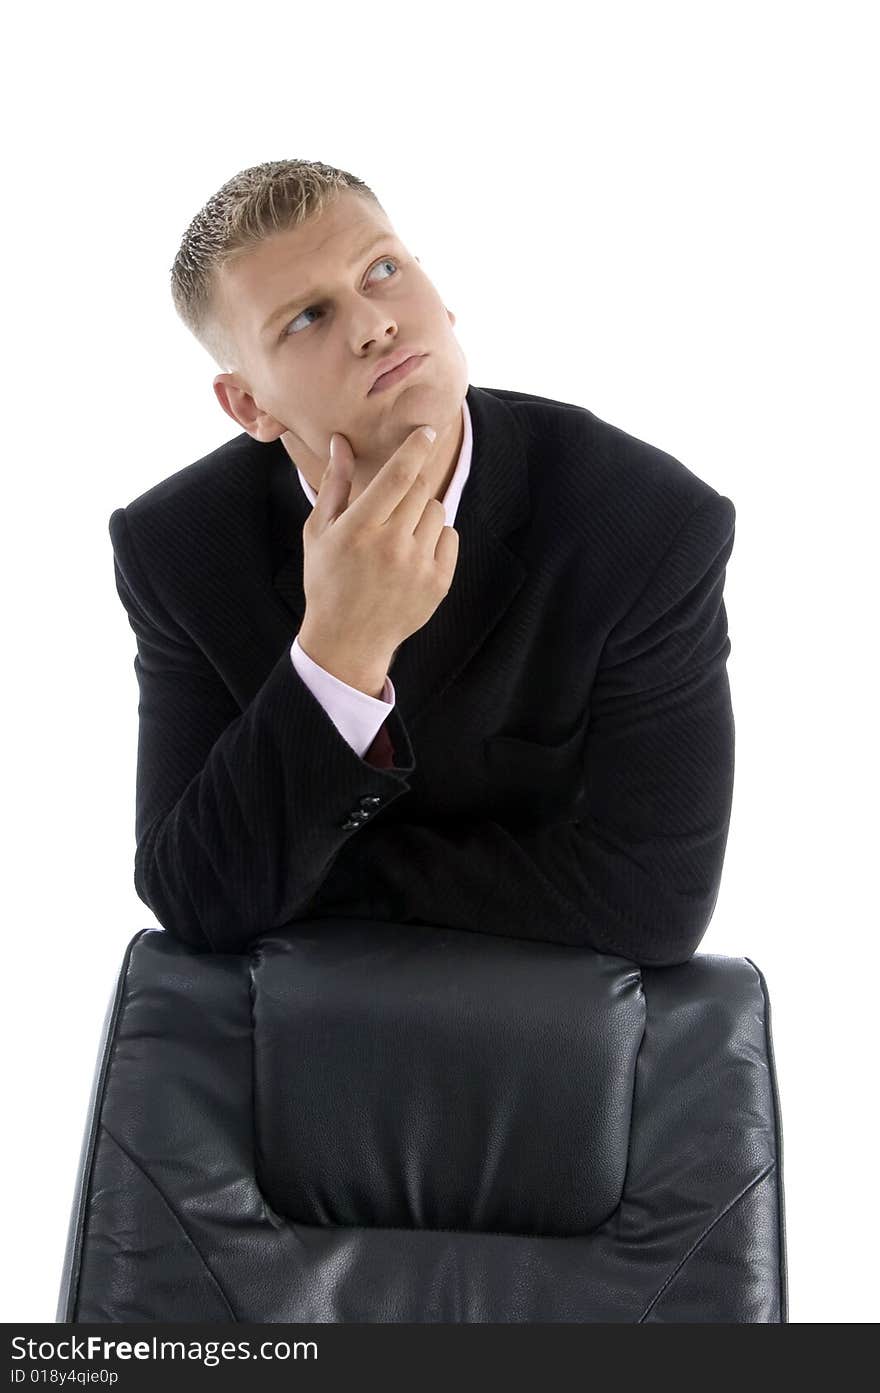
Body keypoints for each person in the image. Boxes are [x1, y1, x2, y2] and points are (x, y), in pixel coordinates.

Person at [108, 157, 737, 965]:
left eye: (382, 270)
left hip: (553, 1054)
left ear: (436, 293)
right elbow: (191, 894)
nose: (373, 323)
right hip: (292, 1059)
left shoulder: (648, 523)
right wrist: (338, 652)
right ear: (249, 404)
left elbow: (657, 904)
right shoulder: (176, 549)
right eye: (306, 318)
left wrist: (313, 873)